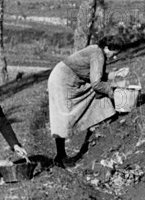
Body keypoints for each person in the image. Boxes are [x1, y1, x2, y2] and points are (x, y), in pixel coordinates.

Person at [48, 36, 129, 168]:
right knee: (63, 116)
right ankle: (61, 156)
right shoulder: (98, 55)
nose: (114, 57)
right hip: (63, 81)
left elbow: (94, 75)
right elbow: (96, 83)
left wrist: (115, 75)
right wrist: (112, 93)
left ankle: (98, 125)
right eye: (114, 54)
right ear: (107, 48)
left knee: (96, 97)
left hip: (64, 77)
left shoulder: (96, 50)